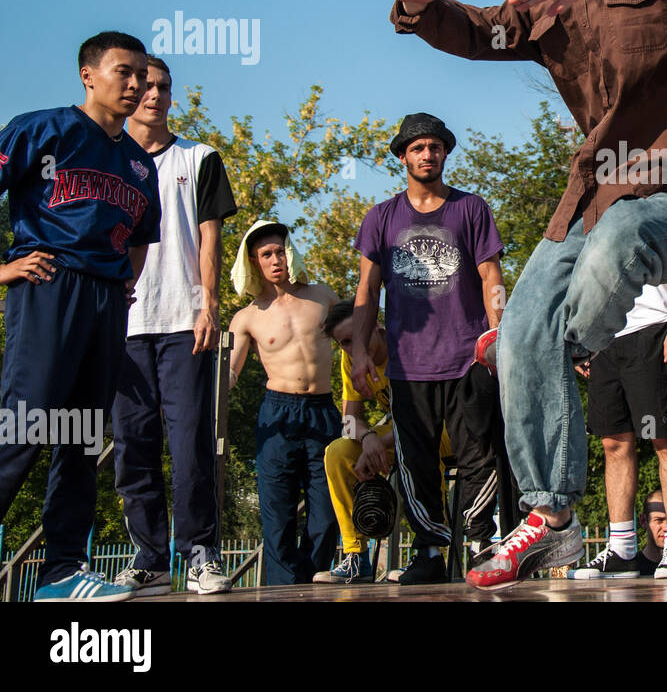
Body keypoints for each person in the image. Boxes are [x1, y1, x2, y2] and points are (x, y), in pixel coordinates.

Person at [386, 0, 667, 590]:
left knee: (615, 248)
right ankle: (552, 517)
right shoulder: (549, 0)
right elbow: (484, 30)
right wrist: (421, 11)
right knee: (522, 318)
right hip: (590, 198)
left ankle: (556, 344)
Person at [0, 31, 162, 601]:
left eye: (142, 74)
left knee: (83, 433)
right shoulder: (40, 130)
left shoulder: (140, 164)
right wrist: (2, 269)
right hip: (49, 285)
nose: (137, 84)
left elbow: (142, 239)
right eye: (124, 72)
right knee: (24, 421)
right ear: (87, 75)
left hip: (106, 300)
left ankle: (61, 572)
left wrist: (125, 284)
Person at [349, 114, 506, 585]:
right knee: (416, 460)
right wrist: (359, 351)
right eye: (417, 148)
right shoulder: (381, 217)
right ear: (403, 157)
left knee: (479, 453)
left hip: (468, 358)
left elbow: (491, 277)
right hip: (407, 364)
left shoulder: (471, 209)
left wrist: (498, 338)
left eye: (435, 147)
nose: (427, 154)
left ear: (444, 154)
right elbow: (365, 290)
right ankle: (430, 550)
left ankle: (481, 544)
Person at [111, 56, 238, 597]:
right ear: (129, 91)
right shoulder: (106, 159)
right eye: (144, 86)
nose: (154, 94)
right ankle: (149, 557)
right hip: (122, 323)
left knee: (189, 444)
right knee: (131, 443)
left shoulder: (200, 157)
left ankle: (200, 552)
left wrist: (209, 304)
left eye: (163, 86)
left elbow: (211, 239)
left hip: (185, 320)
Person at [228, 220, 341, 585]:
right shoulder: (247, 317)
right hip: (277, 415)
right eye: (266, 254)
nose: (275, 259)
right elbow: (227, 374)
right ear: (254, 262)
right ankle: (281, 590)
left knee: (326, 513)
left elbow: (358, 342)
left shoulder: (322, 297)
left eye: (279, 251)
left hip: (323, 410)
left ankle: (315, 583)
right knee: (277, 514)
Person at [315, 298, 456, 584]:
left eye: (357, 336)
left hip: (445, 428)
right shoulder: (351, 360)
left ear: (375, 325)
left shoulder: (406, 342)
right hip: (400, 432)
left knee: (415, 445)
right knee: (338, 452)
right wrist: (367, 437)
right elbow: (348, 420)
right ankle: (356, 557)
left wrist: (384, 440)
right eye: (344, 342)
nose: (353, 347)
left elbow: (430, 415)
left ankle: (430, 552)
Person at [569, 281, 667, 579]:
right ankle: (623, 549)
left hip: (655, 325)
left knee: (665, 439)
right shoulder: (587, 228)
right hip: (604, 335)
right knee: (613, 443)